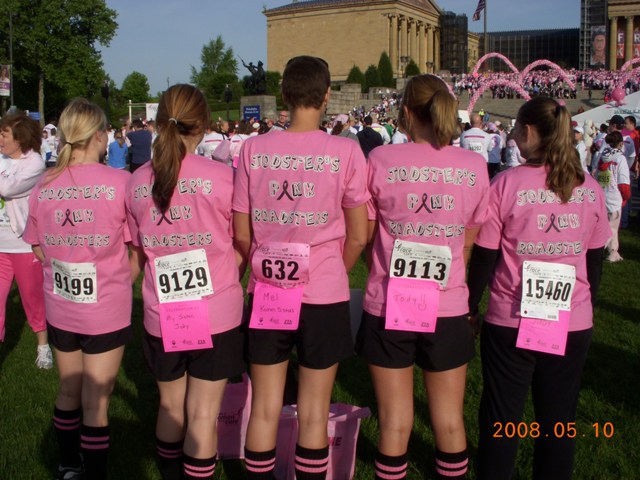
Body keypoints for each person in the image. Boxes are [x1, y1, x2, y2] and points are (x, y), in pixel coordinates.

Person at [233, 55, 369, 480]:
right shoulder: (346, 150)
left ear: (284, 94)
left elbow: (242, 233)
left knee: (264, 408)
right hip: (323, 292)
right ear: (327, 95)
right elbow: (359, 235)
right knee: (314, 412)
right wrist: (334, 270)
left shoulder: (253, 148)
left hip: (268, 290)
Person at [467, 97, 611, 480]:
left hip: (510, 320)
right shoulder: (590, 188)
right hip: (570, 319)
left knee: (502, 419)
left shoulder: (506, 184)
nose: (513, 136)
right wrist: (587, 308)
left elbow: (484, 256)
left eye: (516, 129)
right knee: (558, 421)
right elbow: (595, 262)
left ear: (529, 131)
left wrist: (469, 306)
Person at [357, 74, 490, 479]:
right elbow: (468, 242)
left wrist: (379, 261)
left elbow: (366, 235)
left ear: (406, 112)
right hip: (448, 304)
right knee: (449, 422)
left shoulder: (380, 159)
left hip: (389, 301)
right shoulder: (474, 165)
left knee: (394, 423)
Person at [126, 84, 245, 480]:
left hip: (163, 313)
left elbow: (138, 251)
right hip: (215, 312)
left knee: (171, 406)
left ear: (159, 122)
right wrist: (229, 274)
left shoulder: (135, 181)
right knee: (203, 414)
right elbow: (242, 243)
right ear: (204, 125)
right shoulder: (224, 177)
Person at [23, 98, 134, 479]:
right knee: (96, 401)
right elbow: (135, 244)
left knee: (68, 391)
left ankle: (68, 464)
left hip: (61, 305)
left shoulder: (43, 185)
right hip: (106, 308)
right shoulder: (121, 183)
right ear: (100, 136)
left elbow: (37, 247)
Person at [0, 111, 51, 369]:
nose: (0, 139)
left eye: (4, 135)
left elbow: (7, 188)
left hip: (23, 245)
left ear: (19, 139)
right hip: (0, 247)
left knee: (32, 299)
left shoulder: (35, 163)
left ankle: (43, 345)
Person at [594, 131, 630, 262]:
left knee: (609, 226)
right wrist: (626, 196)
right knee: (611, 228)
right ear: (620, 143)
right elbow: (623, 182)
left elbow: (596, 174)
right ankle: (595, 251)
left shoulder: (602, 156)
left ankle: (613, 252)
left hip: (602, 195)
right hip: (614, 197)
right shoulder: (620, 159)